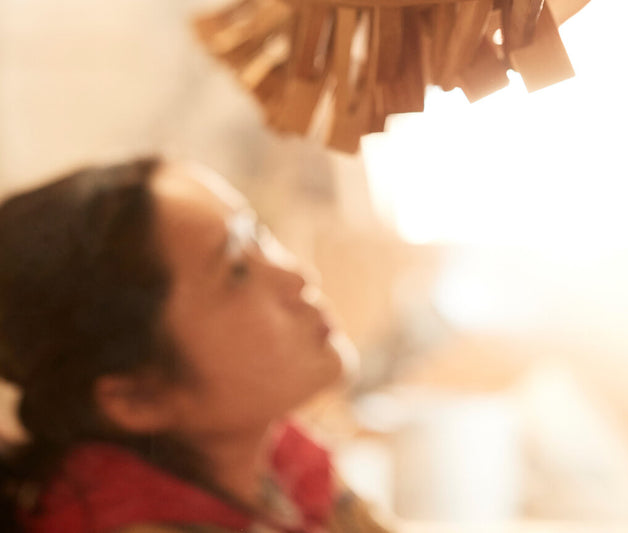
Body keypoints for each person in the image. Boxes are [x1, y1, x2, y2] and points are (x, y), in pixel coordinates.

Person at [0, 157, 390, 533]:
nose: (297, 276)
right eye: (237, 271)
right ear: (138, 398)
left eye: (258, 234)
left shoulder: (274, 459)